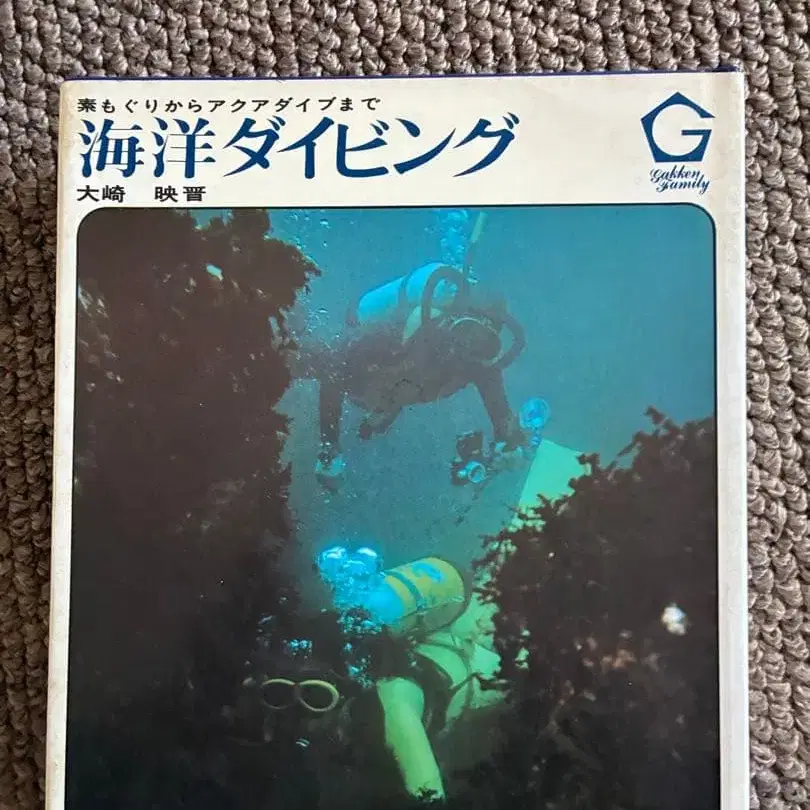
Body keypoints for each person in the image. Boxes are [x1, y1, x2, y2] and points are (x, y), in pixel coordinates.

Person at [289, 261, 529, 490]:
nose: (467, 347)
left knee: (376, 418)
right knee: (297, 357)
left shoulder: (478, 366)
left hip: (390, 394)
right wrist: (329, 444)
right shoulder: (399, 332)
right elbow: (334, 365)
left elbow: (502, 415)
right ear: (452, 319)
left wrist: (511, 445)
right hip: (364, 378)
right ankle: (286, 325)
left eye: (483, 343)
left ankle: (378, 416)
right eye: (466, 331)